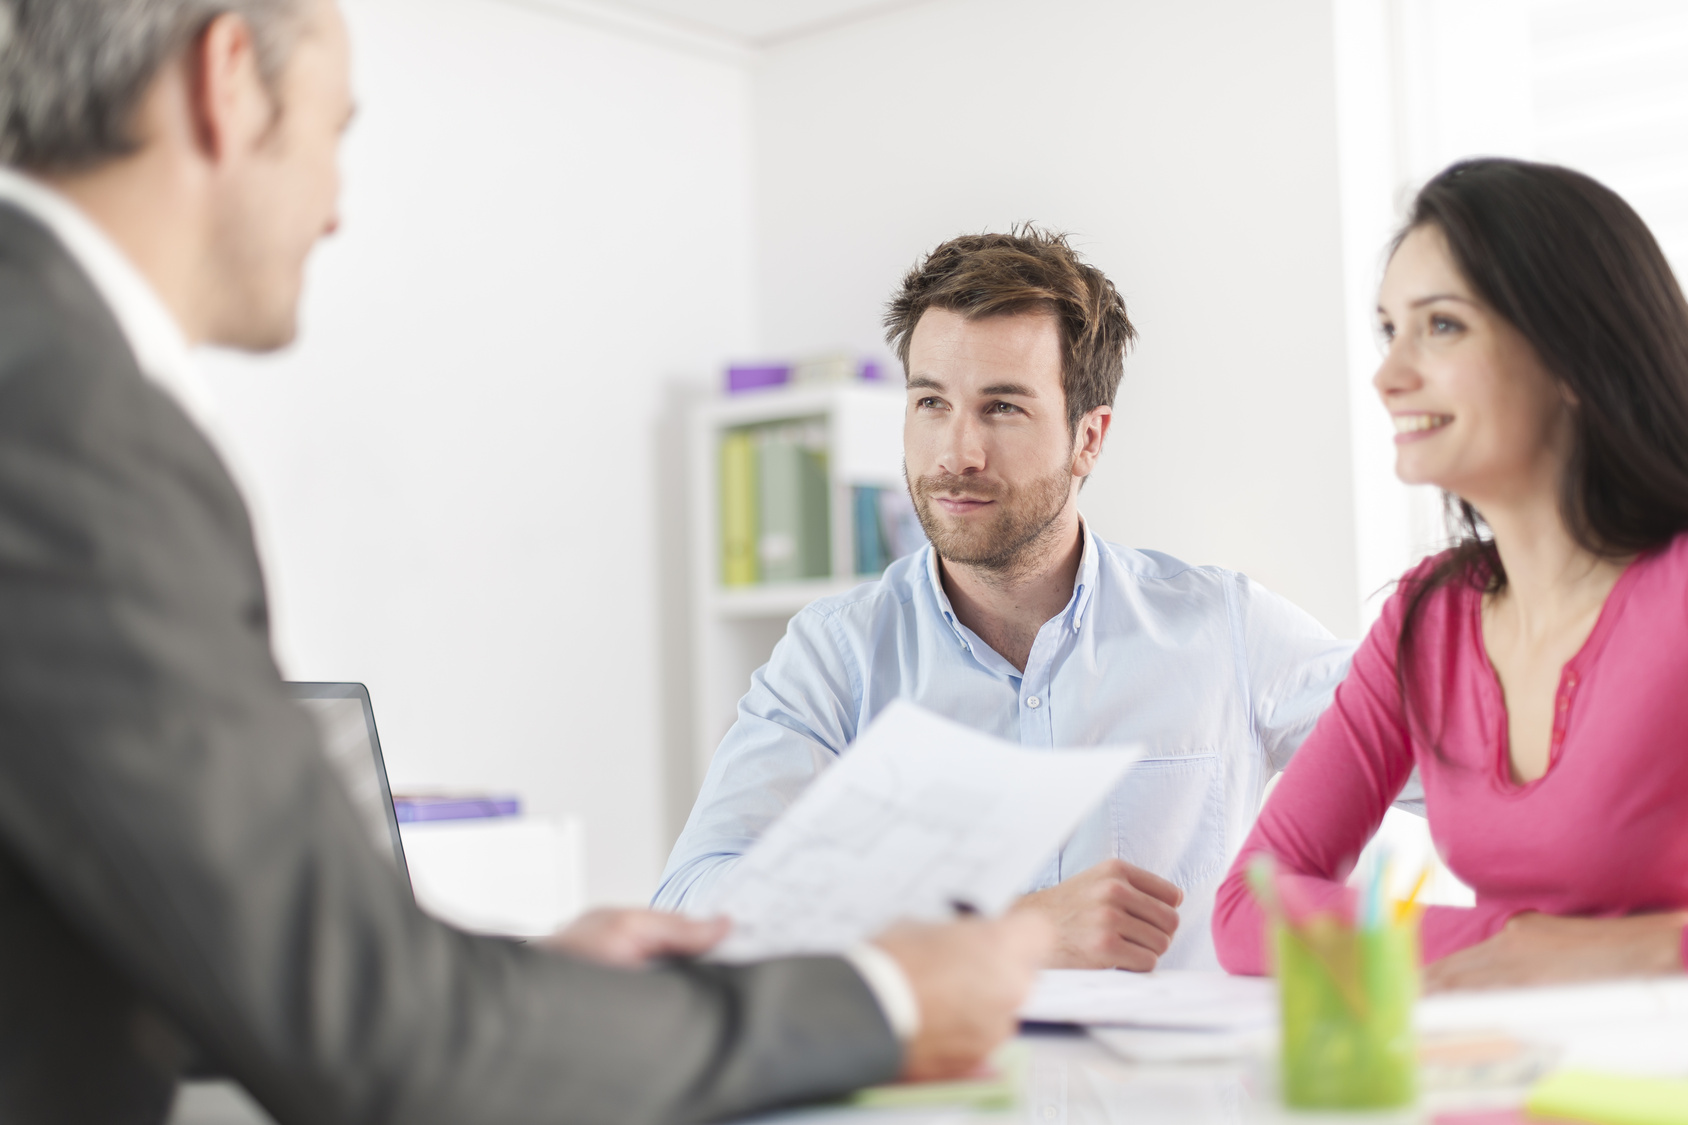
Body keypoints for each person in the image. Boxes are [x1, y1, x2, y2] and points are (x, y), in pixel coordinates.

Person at [0, 1, 1053, 1121]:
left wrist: (539, 989)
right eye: (333, 132)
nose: (336, 209)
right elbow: (368, 1029)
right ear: (227, 83)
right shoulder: (65, 414)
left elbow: (210, 952)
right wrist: (881, 1003)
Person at [656, 227, 1365, 971]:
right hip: (946, 1087)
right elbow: (688, 908)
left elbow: (1461, 766)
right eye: (932, 401)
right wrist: (998, 930)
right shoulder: (837, 656)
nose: (956, 452)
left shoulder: (1224, 631)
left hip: (1169, 1086)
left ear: (1088, 438)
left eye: (1002, 408)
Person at [1212, 158, 1688, 990]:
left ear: (1574, 351)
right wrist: (1502, 942)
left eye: (1441, 327)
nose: (1389, 376)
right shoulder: (1427, 620)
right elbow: (1250, 909)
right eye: (1388, 330)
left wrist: (1628, 951)